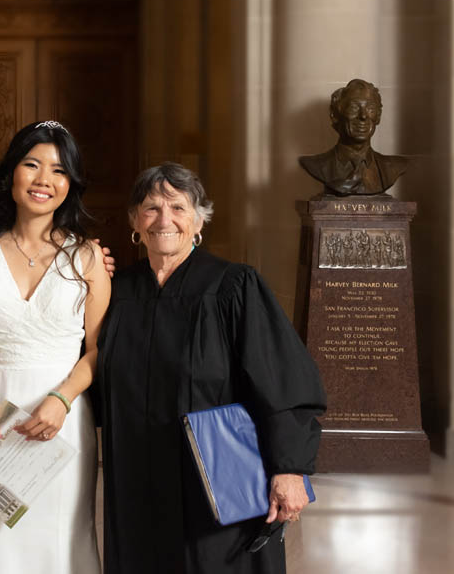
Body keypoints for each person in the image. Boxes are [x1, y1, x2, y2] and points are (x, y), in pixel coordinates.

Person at [98, 163, 327, 574]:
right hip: (137, 476)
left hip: (218, 477)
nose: (163, 219)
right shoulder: (117, 292)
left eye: (178, 208)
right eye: (150, 208)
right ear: (134, 220)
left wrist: (290, 468)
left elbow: (281, 381)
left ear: (199, 219)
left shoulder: (233, 287)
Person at [0, 121, 110, 574]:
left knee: (58, 540)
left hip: (61, 417)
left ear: (70, 184)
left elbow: (98, 350)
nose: (44, 180)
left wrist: (62, 399)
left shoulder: (87, 258)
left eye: (59, 171)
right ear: (12, 174)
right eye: (32, 165)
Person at [299, 78, 408, 196]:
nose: (363, 116)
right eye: (354, 107)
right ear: (335, 115)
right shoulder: (318, 165)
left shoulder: (392, 167)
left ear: (378, 117)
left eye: (370, 108)